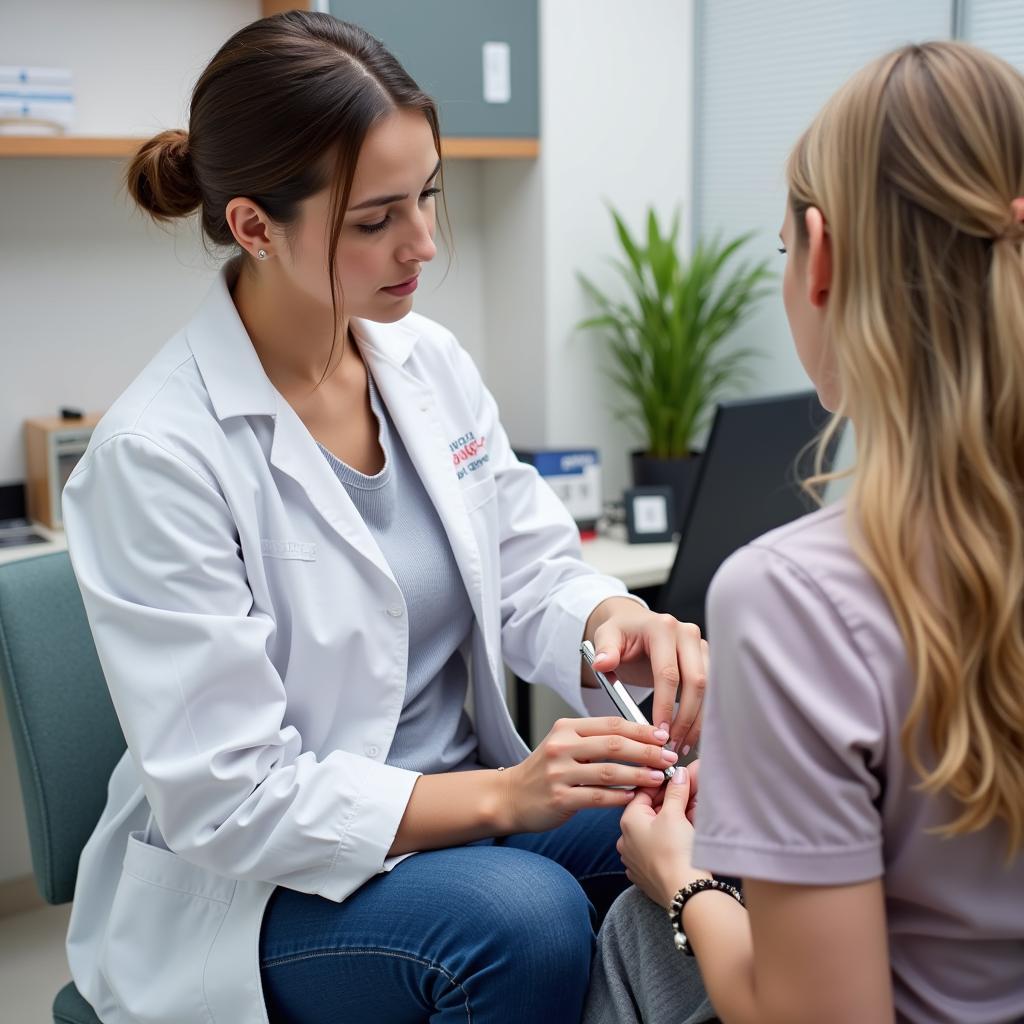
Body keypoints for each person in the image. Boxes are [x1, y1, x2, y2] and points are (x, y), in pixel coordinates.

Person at [59, 11, 707, 1024]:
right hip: (262, 886)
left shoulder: (425, 362)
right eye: (375, 219)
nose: (425, 243)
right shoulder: (158, 455)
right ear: (253, 225)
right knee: (525, 918)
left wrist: (604, 622)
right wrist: (507, 795)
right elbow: (231, 799)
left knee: (717, 818)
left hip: (447, 829)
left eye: (428, 196)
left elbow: (530, 564)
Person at [584, 40, 1024, 1024]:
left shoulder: (796, 596)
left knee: (628, 931)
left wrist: (684, 880)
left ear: (820, 257)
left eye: (784, 251)